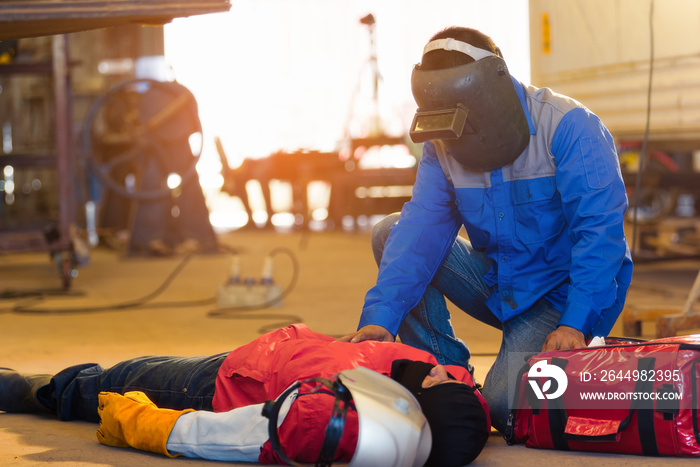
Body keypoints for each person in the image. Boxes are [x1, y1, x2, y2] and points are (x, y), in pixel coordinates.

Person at [339, 26, 633, 434]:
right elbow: (421, 229)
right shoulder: (441, 139)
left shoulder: (569, 127)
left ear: (493, 86)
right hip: (501, 281)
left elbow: (600, 234)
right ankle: (448, 376)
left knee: (503, 412)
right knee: (391, 230)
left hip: (562, 297)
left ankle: (505, 383)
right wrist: (381, 317)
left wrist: (575, 323)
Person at [0, 323, 489, 466]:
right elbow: (467, 397)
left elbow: (291, 425)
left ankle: (21, 391)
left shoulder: (348, 398)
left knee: (109, 382)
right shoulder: (447, 390)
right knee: (126, 370)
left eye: (443, 381)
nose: (448, 373)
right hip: (247, 362)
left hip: (218, 386)